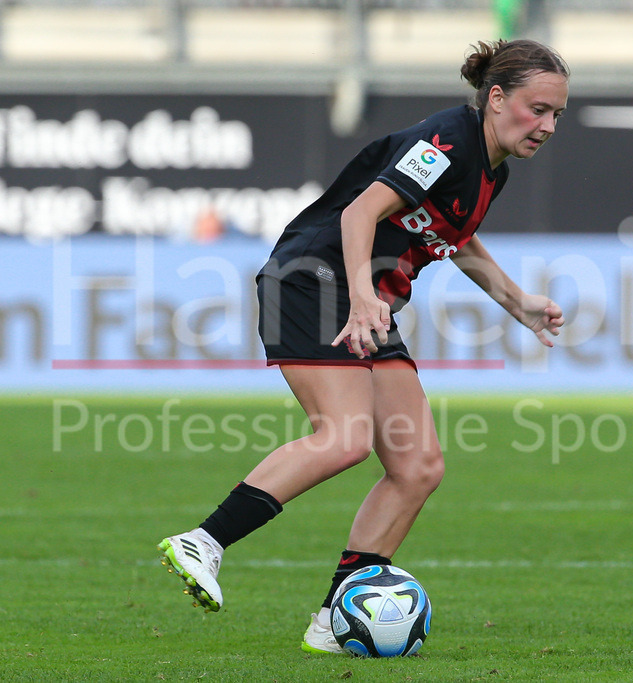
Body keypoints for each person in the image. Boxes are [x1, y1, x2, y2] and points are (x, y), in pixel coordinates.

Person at [157, 39, 570, 653]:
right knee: (344, 437)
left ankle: (334, 620)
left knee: (418, 467)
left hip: (360, 298)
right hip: (313, 280)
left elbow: (454, 235)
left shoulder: (492, 169)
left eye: (557, 114)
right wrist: (360, 295)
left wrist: (517, 301)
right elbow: (359, 214)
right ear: (496, 98)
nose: (547, 126)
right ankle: (204, 542)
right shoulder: (446, 143)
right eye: (537, 109)